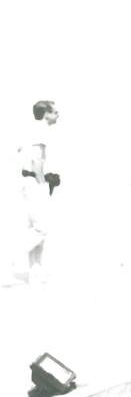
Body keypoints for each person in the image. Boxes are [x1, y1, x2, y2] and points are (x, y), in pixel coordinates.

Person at [15, 100, 59, 283]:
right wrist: (42, 183)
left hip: (28, 181)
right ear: (46, 114)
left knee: (34, 228)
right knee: (41, 228)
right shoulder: (40, 131)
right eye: (55, 112)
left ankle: (35, 273)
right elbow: (36, 161)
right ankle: (12, 256)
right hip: (34, 182)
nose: (58, 115)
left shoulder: (31, 130)